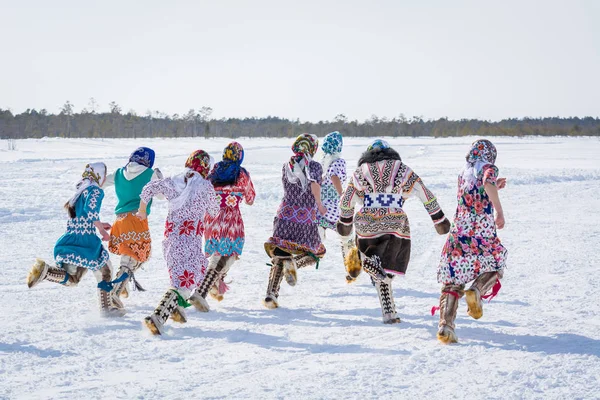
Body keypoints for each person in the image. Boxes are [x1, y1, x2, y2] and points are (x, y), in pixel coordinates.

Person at [338, 140, 450, 324]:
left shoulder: (361, 171)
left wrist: (345, 222)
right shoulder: (402, 168)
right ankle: (387, 309)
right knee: (387, 266)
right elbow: (424, 193)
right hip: (395, 223)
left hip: (367, 222)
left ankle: (364, 261)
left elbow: (346, 199)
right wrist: (439, 220)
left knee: (377, 266)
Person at [26, 162, 124, 316]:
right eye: (104, 175)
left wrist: (98, 223)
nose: (105, 179)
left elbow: (84, 215)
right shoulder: (96, 190)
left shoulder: (80, 191)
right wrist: (101, 231)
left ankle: (46, 272)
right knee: (105, 271)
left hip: (72, 240)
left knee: (73, 279)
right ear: (99, 176)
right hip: (86, 243)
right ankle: (106, 309)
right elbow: (91, 210)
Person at [137, 150, 219, 335]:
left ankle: (176, 309)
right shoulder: (205, 186)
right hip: (190, 241)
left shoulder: (173, 181)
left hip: (171, 239)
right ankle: (158, 317)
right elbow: (214, 212)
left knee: (181, 278)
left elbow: (148, 189)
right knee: (187, 281)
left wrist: (142, 210)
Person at [435, 139, 507, 344]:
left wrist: (495, 187)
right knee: (496, 263)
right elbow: (486, 182)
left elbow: (477, 191)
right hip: (482, 228)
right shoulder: (488, 168)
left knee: (453, 280)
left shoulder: (464, 171)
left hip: (460, 229)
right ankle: (476, 290)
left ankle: (445, 327)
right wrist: (499, 211)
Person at [263, 133, 327, 309]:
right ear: (312, 148)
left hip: (284, 215)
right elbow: (314, 184)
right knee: (316, 252)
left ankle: (271, 295)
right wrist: (320, 205)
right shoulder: (314, 166)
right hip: (305, 217)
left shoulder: (287, 165)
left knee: (280, 254)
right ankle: (294, 264)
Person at [190, 141, 256, 312]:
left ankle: (213, 283)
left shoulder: (214, 170)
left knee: (217, 254)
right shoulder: (242, 173)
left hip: (210, 218)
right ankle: (201, 291)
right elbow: (250, 198)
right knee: (230, 253)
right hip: (230, 219)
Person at [104, 147, 163, 307]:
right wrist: (160, 178)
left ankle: (120, 284)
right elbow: (161, 195)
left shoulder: (118, 173)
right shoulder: (150, 173)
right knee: (138, 256)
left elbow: (100, 183)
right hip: (137, 219)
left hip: (120, 221)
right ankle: (115, 291)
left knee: (130, 256)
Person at [317, 131, 356, 283]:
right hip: (334, 206)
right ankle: (351, 269)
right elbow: (334, 177)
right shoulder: (339, 162)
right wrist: (342, 195)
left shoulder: (322, 161)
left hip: (321, 206)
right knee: (347, 237)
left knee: (319, 234)